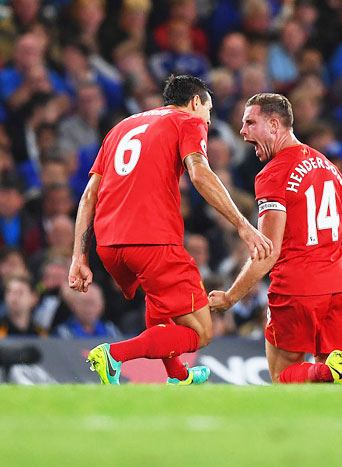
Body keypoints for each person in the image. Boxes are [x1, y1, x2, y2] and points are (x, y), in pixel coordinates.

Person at [69, 74, 273, 385]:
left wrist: (78, 258)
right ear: (194, 103)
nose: (208, 117)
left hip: (109, 245)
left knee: (160, 308)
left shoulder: (120, 128)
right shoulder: (187, 121)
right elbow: (200, 173)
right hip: (152, 242)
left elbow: (88, 196)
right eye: (208, 109)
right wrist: (243, 225)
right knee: (201, 331)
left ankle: (177, 375)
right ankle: (114, 354)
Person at [208, 93, 342, 385]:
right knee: (328, 385)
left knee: (283, 376)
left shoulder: (273, 174)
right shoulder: (330, 168)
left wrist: (230, 297)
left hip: (296, 288)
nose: (242, 131)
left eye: (250, 122)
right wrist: (341, 283)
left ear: (274, 125)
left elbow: (268, 250)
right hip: (336, 285)